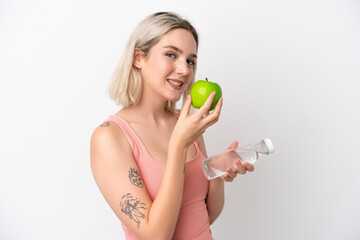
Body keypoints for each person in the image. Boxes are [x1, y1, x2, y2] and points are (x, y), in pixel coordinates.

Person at [90, 12, 254, 240]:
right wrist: (178, 145)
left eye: (190, 61)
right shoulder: (110, 137)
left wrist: (217, 172)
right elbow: (156, 235)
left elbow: (205, 216)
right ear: (138, 58)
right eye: (171, 55)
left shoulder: (184, 123)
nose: (185, 70)